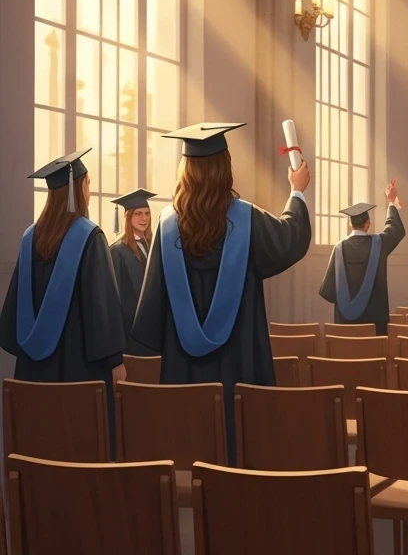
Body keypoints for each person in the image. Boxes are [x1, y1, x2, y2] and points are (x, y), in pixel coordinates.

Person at [131, 122, 311, 461]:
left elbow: (152, 309)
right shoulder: (247, 219)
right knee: (240, 451)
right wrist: (297, 192)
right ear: (224, 168)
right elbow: (290, 238)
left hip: (185, 374)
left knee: (190, 450)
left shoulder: (167, 224)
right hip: (239, 363)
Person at [0, 150, 128, 452]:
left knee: (40, 448)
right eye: (86, 184)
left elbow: (15, 308)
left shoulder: (31, 238)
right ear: (76, 190)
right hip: (79, 370)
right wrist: (114, 360)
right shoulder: (90, 237)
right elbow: (102, 307)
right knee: (77, 448)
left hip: (34, 372)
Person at [319, 182, 405, 334]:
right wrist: (391, 202)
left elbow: (328, 291)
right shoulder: (379, 244)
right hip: (374, 324)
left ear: (350, 224)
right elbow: (394, 229)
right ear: (368, 223)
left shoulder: (339, 248)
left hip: (345, 326)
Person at [109, 188, 157, 354]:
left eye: (147, 213)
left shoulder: (153, 246)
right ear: (128, 217)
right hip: (129, 330)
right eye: (138, 213)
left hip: (151, 326)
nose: (144, 218)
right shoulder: (117, 251)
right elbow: (114, 298)